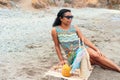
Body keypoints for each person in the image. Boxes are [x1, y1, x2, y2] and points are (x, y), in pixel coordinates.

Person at [51, 9, 120, 72]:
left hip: (82, 48)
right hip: (72, 55)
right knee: (96, 61)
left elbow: (84, 40)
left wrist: (96, 49)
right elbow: (57, 46)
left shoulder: (74, 27)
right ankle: (111, 67)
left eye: (71, 17)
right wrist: (61, 60)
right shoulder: (55, 30)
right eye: (68, 17)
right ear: (61, 18)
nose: (70, 19)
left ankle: (118, 69)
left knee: (96, 55)